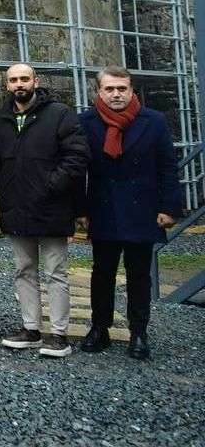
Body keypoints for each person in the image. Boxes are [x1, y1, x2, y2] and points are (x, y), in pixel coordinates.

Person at [78, 66, 181, 359]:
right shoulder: (85, 122)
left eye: (122, 88)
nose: (116, 94)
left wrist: (169, 207)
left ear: (131, 89)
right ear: (99, 91)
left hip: (142, 208)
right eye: (109, 89)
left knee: (138, 274)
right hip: (103, 207)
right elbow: (79, 168)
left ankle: (139, 331)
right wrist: (81, 209)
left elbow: (168, 167)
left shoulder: (154, 121)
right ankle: (100, 328)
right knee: (102, 273)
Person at [0, 63, 89, 358]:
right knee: (24, 270)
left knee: (56, 271)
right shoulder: (3, 119)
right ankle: (30, 328)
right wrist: (1, 185)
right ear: (7, 85)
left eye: (24, 79)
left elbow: (77, 156)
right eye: (13, 80)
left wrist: (50, 185)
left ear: (36, 81)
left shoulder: (59, 114)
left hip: (51, 206)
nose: (19, 84)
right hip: (17, 206)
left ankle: (59, 334)